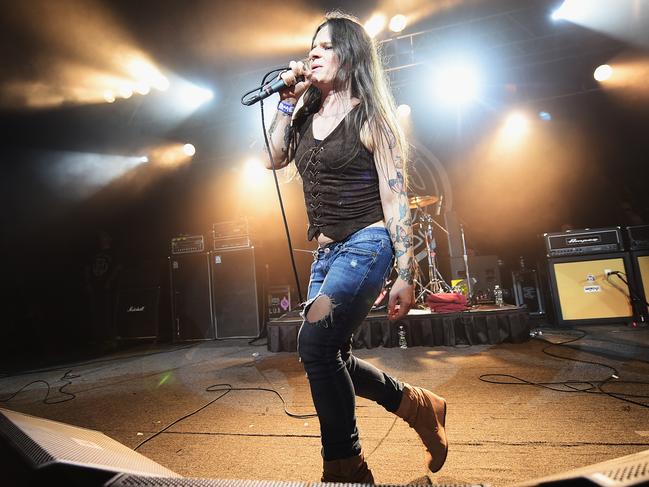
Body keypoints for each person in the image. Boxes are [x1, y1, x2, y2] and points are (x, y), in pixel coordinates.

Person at [265, 12, 448, 483]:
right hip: (324, 254)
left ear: (350, 54)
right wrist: (285, 103)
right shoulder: (304, 111)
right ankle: (418, 405)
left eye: (325, 46)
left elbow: (395, 197)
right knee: (334, 354)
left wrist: (407, 272)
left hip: (367, 243)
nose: (313, 53)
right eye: (312, 46)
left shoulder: (373, 116)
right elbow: (273, 157)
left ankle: (346, 469)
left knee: (315, 344)